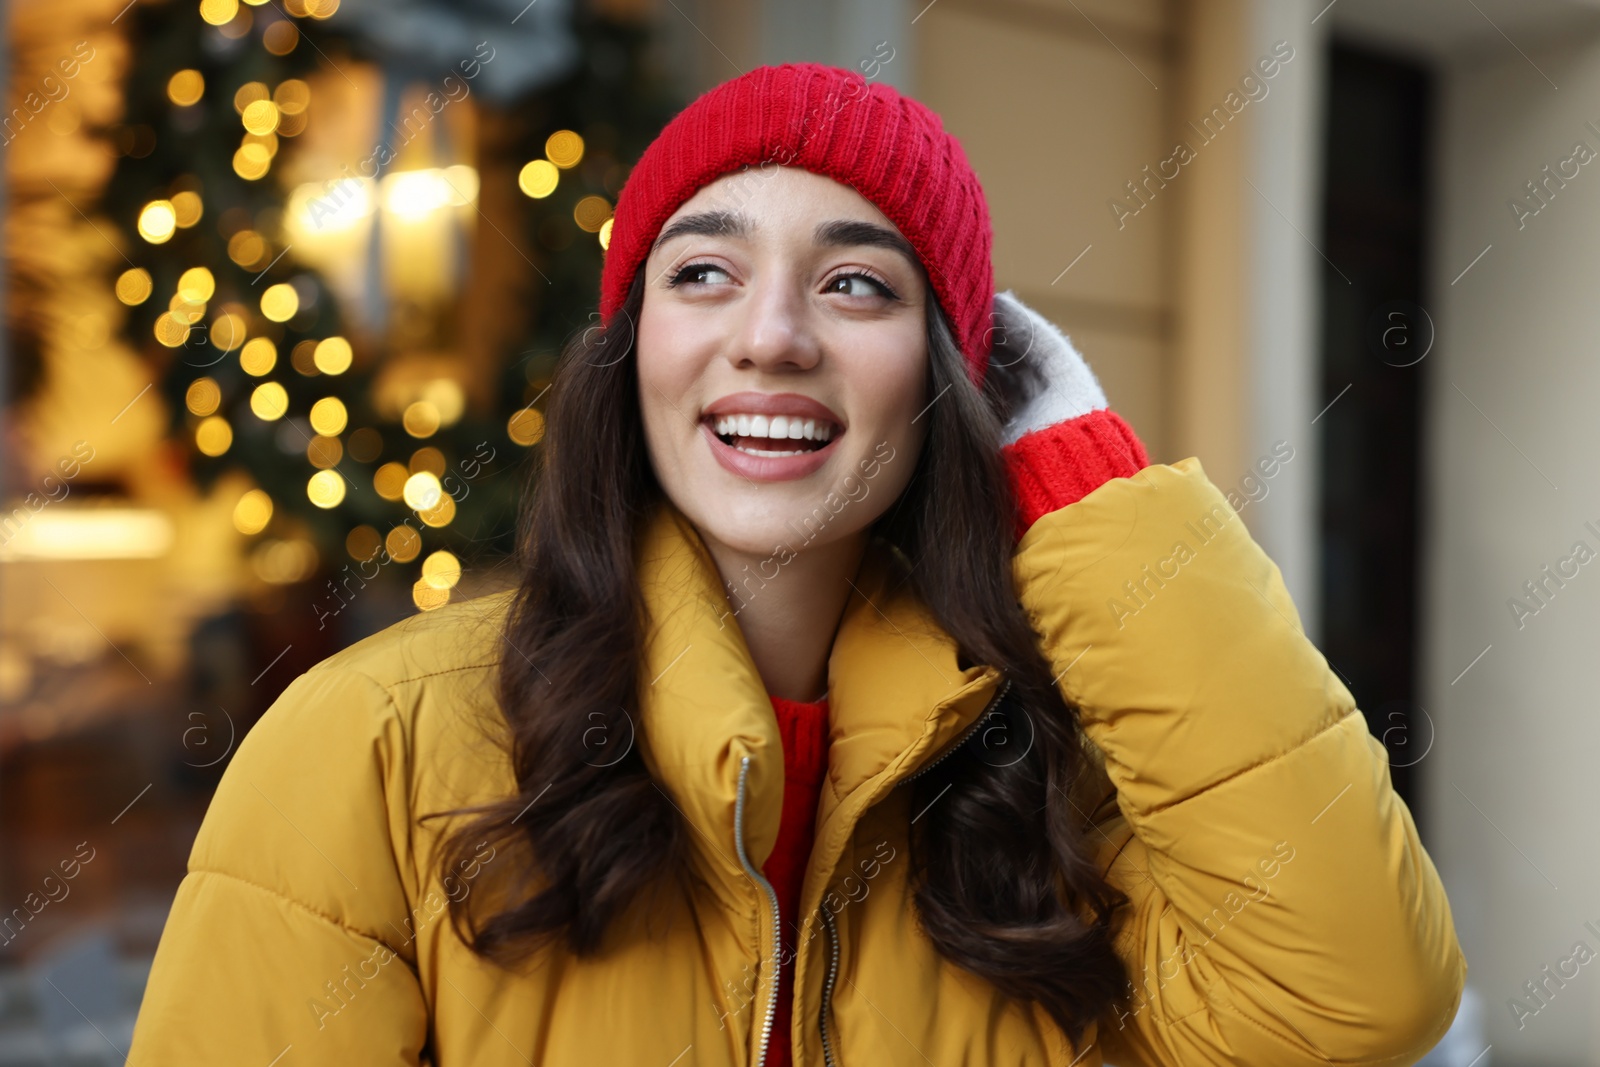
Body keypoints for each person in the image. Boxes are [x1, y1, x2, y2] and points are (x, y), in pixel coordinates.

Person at [128, 62, 1466, 1066]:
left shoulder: (1057, 779)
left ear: (954, 381)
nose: (770, 336)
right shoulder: (376, 747)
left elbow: (1359, 1001)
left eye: (858, 285)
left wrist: (1080, 475)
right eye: (702, 272)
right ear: (630, 352)